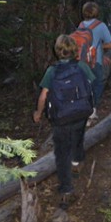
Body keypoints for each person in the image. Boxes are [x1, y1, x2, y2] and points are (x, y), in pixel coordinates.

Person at [33, 34, 95, 210]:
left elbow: (44, 96)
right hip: (81, 113)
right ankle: (77, 162)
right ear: (74, 50)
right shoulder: (82, 66)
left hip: (61, 118)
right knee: (78, 137)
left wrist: (38, 112)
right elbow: (91, 85)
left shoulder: (52, 71)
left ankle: (67, 188)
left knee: (61, 153)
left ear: (58, 51)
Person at [79, 1, 111, 122]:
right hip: (95, 60)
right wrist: (99, 48)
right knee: (98, 82)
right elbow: (109, 44)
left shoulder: (81, 25)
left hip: (81, 61)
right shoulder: (101, 25)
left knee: (86, 84)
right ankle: (92, 109)